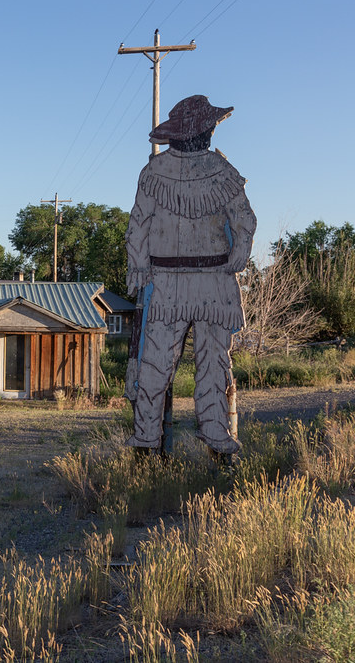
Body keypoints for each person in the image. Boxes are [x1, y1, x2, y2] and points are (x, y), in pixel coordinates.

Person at [125, 94, 256, 457]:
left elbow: (137, 226)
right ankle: (213, 433)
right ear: (204, 131)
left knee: (157, 363)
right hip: (212, 280)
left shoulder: (153, 172)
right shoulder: (221, 170)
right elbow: (245, 221)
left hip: (170, 283)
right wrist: (238, 256)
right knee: (211, 361)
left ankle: (148, 436)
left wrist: (139, 268)